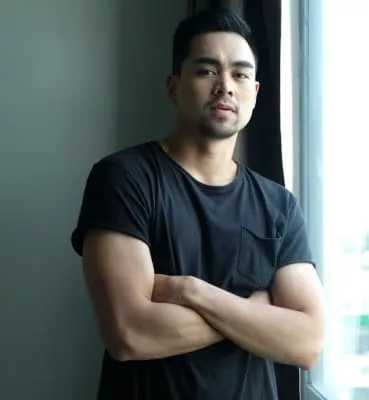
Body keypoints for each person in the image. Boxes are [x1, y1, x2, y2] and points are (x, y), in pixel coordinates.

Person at [71, 8, 324, 400]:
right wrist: (256, 311)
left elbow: (307, 343)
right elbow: (129, 333)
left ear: (255, 93)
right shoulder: (124, 178)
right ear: (173, 87)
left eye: (240, 74)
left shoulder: (279, 206)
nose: (225, 86)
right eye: (207, 71)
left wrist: (191, 291)